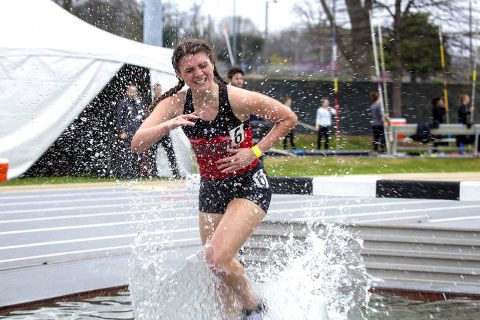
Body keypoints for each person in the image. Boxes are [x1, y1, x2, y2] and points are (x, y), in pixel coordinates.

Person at [131, 38, 297, 319]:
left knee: (217, 257)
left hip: (248, 183)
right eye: (189, 70)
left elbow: (287, 118)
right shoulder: (175, 103)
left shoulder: (236, 97)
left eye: (202, 66)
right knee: (218, 273)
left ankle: (254, 306)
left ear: (211, 65)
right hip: (212, 188)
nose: (197, 74)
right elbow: (137, 143)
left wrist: (253, 151)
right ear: (179, 76)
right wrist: (170, 123)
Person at [145, 83, 180, 178]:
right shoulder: (150, 101)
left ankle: (175, 173)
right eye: (156, 90)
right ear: (154, 90)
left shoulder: (165, 100)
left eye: (159, 90)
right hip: (155, 131)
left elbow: (170, 112)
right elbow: (147, 115)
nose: (158, 91)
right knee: (152, 153)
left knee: (170, 152)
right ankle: (153, 174)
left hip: (164, 131)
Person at [115, 84, 146, 178]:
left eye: (134, 91)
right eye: (131, 91)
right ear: (127, 92)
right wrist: (121, 131)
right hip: (126, 132)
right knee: (125, 153)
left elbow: (142, 117)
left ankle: (136, 174)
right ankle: (123, 174)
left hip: (137, 132)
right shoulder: (123, 103)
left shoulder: (138, 103)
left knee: (138, 153)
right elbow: (119, 118)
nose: (133, 93)